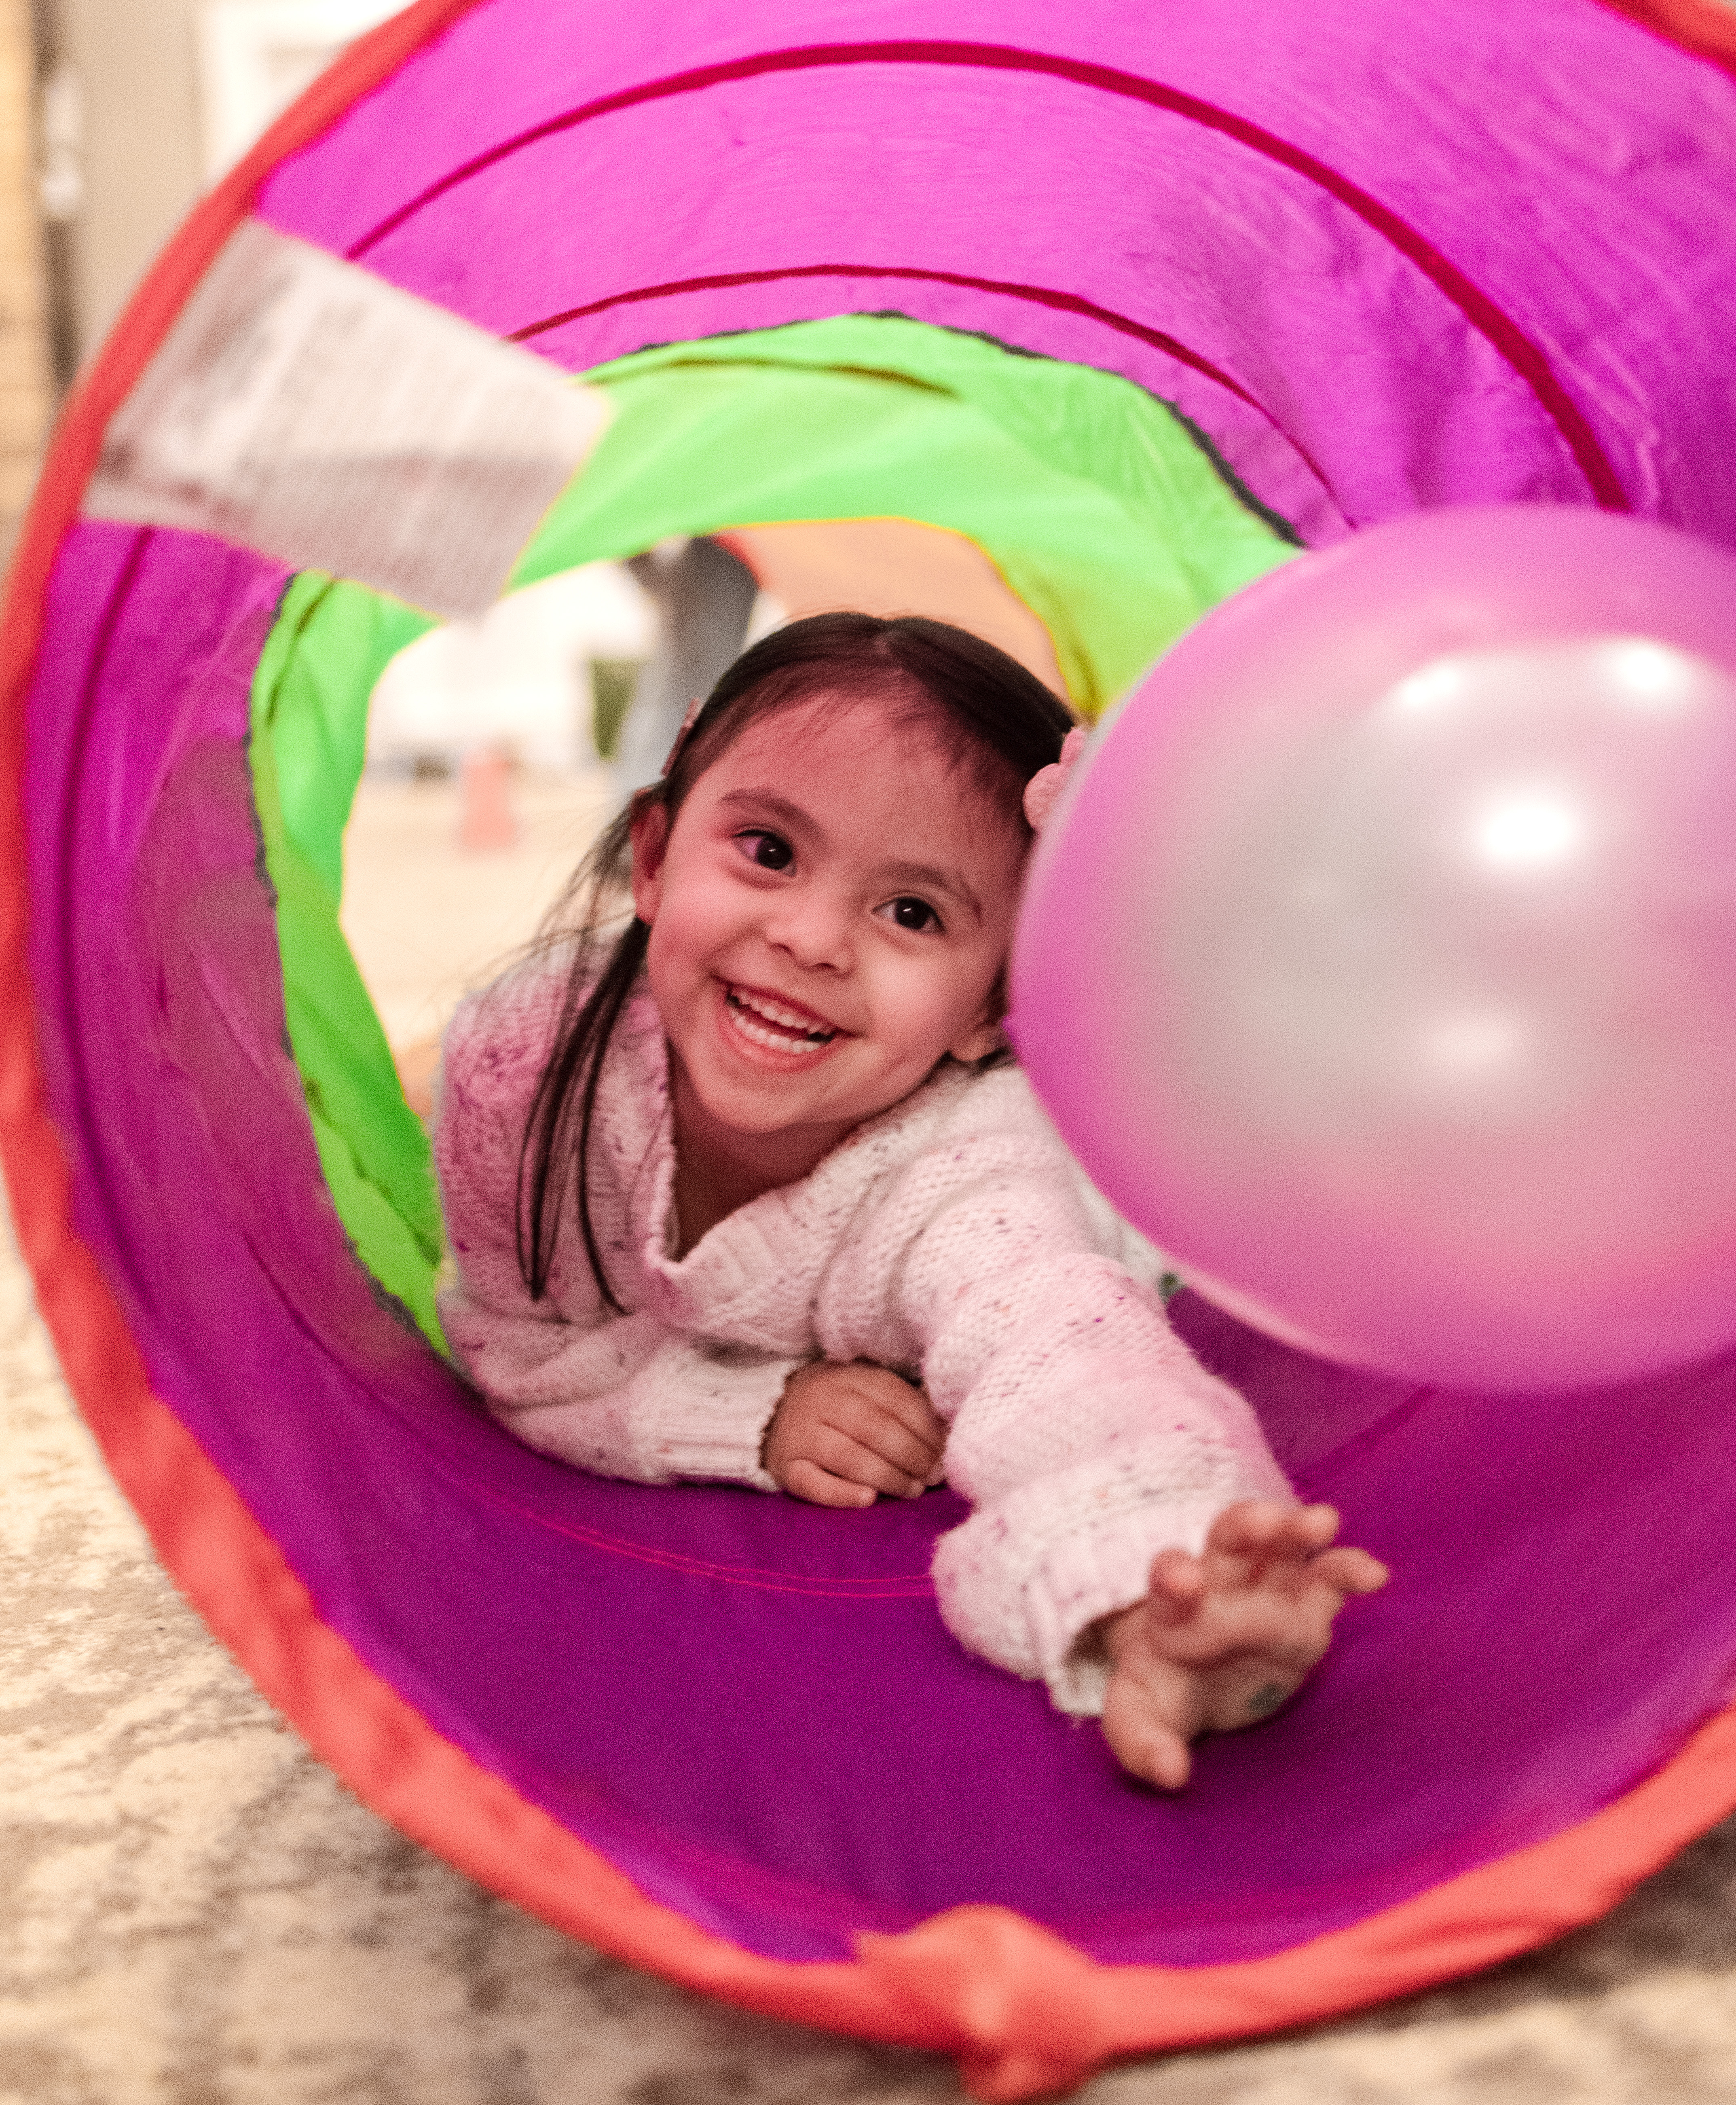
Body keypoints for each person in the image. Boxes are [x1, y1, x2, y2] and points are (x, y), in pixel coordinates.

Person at [432, 612, 1385, 1790]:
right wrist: (747, 1415)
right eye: (770, 850)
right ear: (652, 858)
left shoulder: (965, 1173)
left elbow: (1067, 1359)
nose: (813, 938)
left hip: (1126, 1185)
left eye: (913, 912)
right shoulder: (523, 1072)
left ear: (992, 1005)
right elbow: (509, 1334)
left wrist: (1163, 1579)